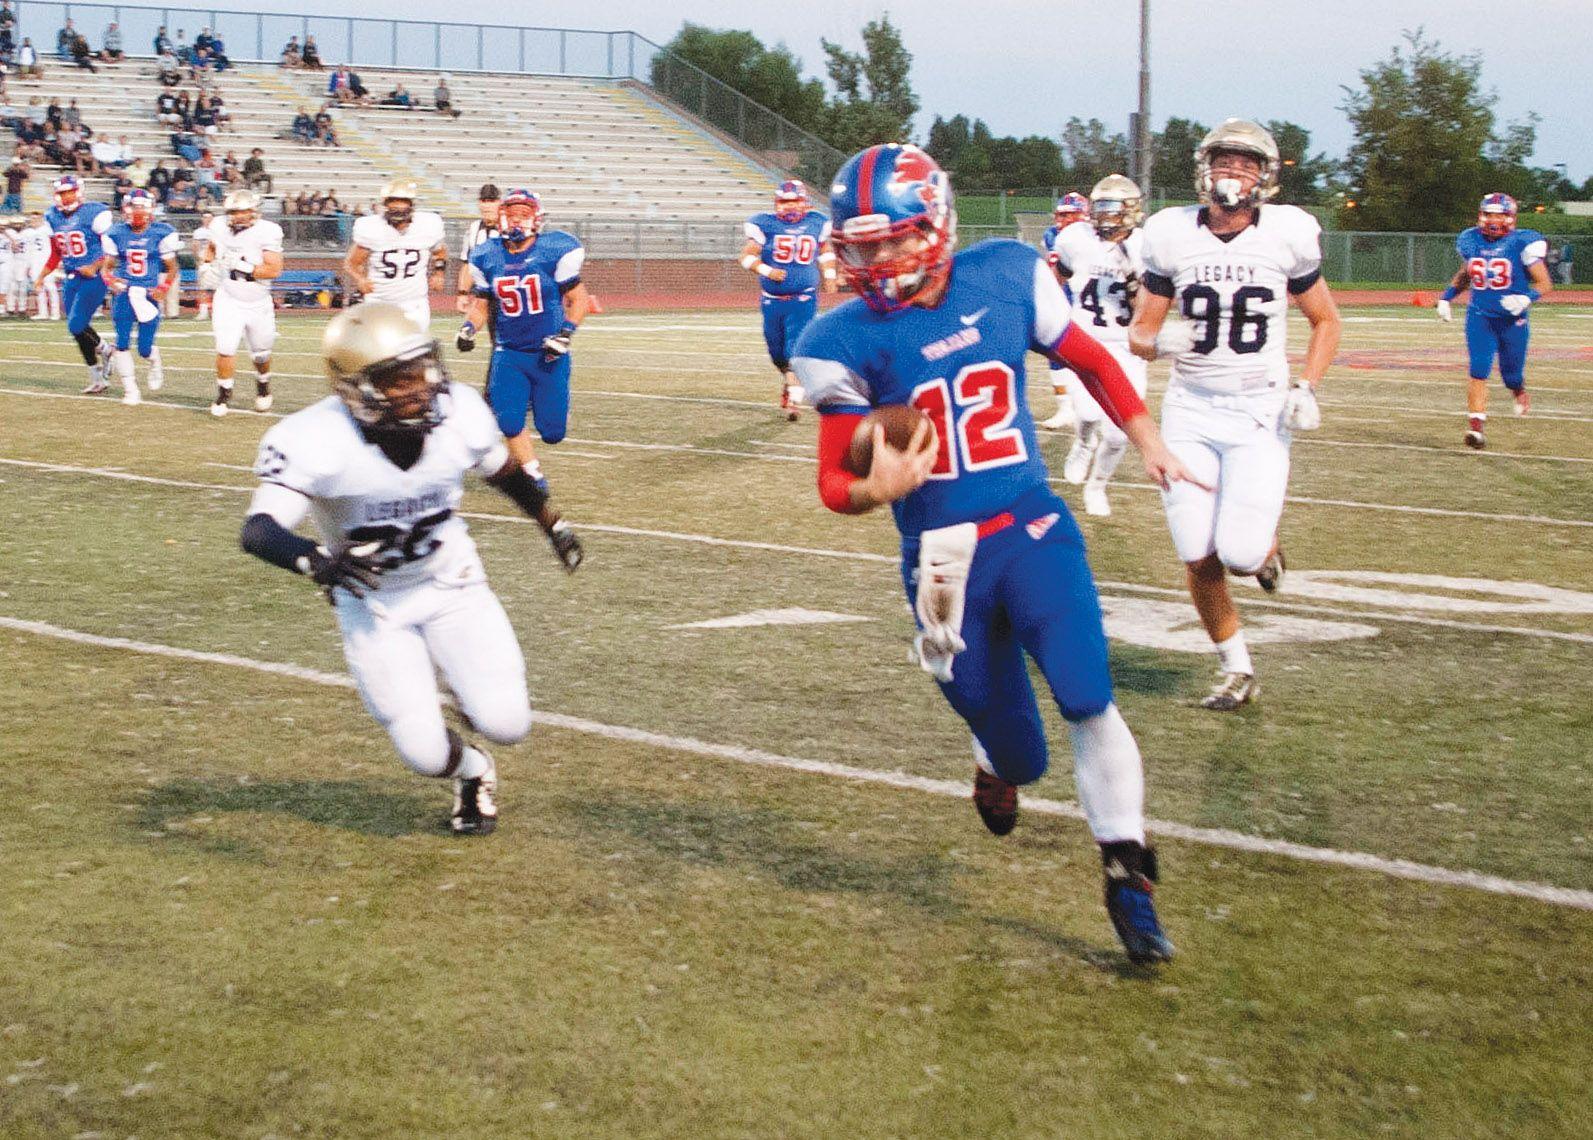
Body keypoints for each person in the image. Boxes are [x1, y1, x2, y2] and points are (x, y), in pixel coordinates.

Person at [792, 143, 1195, 964]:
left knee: (1086, 693)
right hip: (939, 558)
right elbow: (834, 481)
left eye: (891, 240)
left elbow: (1086, 357)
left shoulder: (1006, 273)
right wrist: (880, 486)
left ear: (934, 223)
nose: (874, 261)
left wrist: (1143, 433)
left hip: (1029, 522)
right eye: (859, 246)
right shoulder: (836, 337)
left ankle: (1127, 874)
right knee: (1022, 752)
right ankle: (991, 757)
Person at [238, 302, 572, 833]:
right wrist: (317, 562)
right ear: (353, 388)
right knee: (421, 752)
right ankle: (472, 770)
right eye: (397, 380)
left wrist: (549, 521)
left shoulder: (458, 411)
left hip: (452, 582)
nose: (418, 387)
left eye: (421, 369)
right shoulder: (314, 439)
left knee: (508, 722)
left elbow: (503, 470)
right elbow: (259, 530)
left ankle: (468, 695)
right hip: (374, 603)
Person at [1127, 119, 1341, 712]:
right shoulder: (1171, 234)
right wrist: (1162, 341)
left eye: (1247, 164)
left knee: (1241, 553)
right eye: (1225, 160)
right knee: (1197, 548)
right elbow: (1140, 333)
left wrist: (1309, 386)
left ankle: (1265, 549)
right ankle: (1237, 666)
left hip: (1257, 411)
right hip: (1191, 411)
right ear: (1204, 167)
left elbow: (1326, 320)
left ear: (1265, 178)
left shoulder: (1287, 234)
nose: (1234, 172)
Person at [458, 187, 586, 570]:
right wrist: (469, 327)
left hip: (548, 353)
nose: (515, 220)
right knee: (509, 419)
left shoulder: (554, 251)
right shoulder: (487, 256)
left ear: (535, 218)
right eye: (509, 213)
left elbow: (578, 300)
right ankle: (531, 473)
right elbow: (482, 304)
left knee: (553, 432)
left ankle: (536, 453)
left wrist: (565, 333)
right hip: (509, 352)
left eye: (521, 213)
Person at [1050, 175, 1149, 517]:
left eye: (1113, 208)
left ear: (1132, 210)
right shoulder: (1076, 238)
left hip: (1127, 348)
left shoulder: (1146, 248)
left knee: (1122, 433)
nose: (1105, 215)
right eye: (1101, 207)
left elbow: (1152, 313)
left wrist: (1136, 285)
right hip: (1084, 341)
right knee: (1089, 414)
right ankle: (1082, 442)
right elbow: (1056, 278)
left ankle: (1098, 485)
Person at [1435, 193, 1554, 449]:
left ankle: (1518, 391)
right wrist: (1446, 297)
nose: (1493, 220)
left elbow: (1545, 283)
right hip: (1480, 316)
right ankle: (1476, 429)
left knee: (1511, 374)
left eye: (1499, 214)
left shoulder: (1522, 242)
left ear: (1510, 217)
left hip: (1513, 320)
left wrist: (1526, 299)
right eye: (1488, 214)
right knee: (1478, 369)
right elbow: (1466, 274)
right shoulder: (1471, 240)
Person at [738, 179, 837, 420]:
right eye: (784, 202)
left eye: (794, 202)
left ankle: (794, 400)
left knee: (794, 349)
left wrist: (831, 275)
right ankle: (789, 382)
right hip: (772, 300)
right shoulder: (765, 224)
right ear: (776, 203)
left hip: (803, 298)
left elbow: (825, 251)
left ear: (805, 203)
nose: (789, 207)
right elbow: (745, 258)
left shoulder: (817, 222)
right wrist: (768, 271)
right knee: (777, 354)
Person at [204, 189, 283, 415]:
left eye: (243, 211)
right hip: (228, 297)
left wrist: (243, 267)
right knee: (225, 347)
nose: (238, 216)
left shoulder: (268, 231)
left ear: (254, 211)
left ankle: (263, 384)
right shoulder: (218, 226)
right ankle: (224, 393)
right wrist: (206, 264)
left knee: (261, 353)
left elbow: (274, 269)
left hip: (258, 300)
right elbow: (211, 246)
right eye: (234, 212)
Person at [36, 175, 115, 391]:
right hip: (71, 277)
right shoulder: (53, 216)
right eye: (62, 193)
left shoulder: (94, 212)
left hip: (94, 277)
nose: (65, 196)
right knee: (76, 330)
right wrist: (42, 276)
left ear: (78, 192)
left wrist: (95, 266)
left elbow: (112, 249)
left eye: (69, 192)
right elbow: (55, 253)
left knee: (76, 324)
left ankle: (106, 350)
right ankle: (97, 377)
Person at [97, 189, 177, 405]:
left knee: (144, 349)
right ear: (126, 209)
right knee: (121, 342)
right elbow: (106, 268)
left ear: (150, 209)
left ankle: (154, 361)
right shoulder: (115, 232)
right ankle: (130, 389)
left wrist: (164, 286)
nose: (137, 211)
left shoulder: (162, 232)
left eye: (141, 207)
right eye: (134, 206)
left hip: (148, 294)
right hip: (125, 292)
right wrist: (110, 281)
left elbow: (172, 267)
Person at [345, 181, 448, 330]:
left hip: (414, 303)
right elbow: (352, 262)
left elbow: (440, 252)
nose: (398, 206)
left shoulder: (426, 226)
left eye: (403, 201)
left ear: (411, 205)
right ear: (386, 205)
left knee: (414, 348)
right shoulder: (372, 229)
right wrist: (360, 279)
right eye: (393, 201)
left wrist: (439, 273)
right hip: (379, 301)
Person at [1037, 192, 1091, 430]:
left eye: (1069, 215)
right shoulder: (1052, 236)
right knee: (1056, 353)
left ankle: (1090, 404)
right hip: (1062, 298)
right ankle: (1065, 408)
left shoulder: (1093, 236)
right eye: (1061, 214)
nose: (1063, 219)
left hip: (1089, 302)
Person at [456, 184, 500, 319]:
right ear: (479, 203)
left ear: (499, 202)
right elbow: (468, 263)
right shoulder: (474, 229)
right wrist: (462, 293)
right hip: (485, 292)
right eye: (484, 201)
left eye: (491, 201)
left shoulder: (509, 226)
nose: (487, 205)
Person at [21, 210, 58, 320]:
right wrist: (28, 265)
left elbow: (55, 246)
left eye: (36, 219)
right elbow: (28, 250)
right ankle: (43, 312)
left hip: (46, 261)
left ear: (41, 219)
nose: (33, 221)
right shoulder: (28, 232)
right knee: (38, 287)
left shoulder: (48, 230)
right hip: (34, 262)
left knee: (50, 286)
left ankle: (55, 312)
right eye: (32, 219)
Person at [192, 209, 219, 319]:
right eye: (205, 217)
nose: (207, 220)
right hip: (205, 261)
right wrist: (198, 260)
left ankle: (217, 311)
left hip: (217, 262)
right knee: (203, 288)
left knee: (218, 288)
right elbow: (195, 246)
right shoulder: (199, 232)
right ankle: (203, 311)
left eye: (209, 217)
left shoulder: (219, 231)